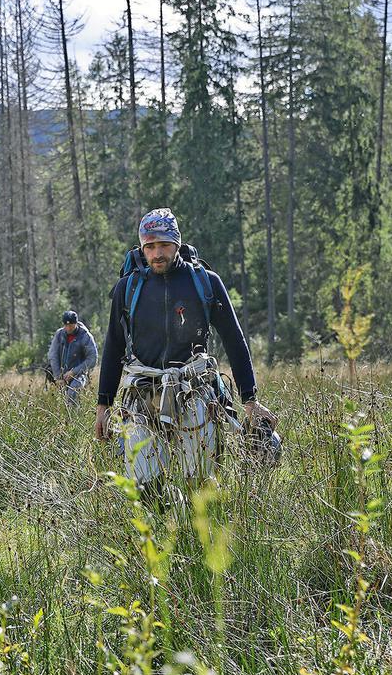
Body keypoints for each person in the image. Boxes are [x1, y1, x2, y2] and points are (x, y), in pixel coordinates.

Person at [94, 208, 275, 495]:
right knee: (143, 491)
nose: (157, 254)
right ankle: (160, 534)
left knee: (201, 490)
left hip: (195, 393)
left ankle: (195, 538)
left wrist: (250, 400)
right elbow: (113, 345)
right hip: (142, 396)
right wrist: (103, 405)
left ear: (177, 243)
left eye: (164, 245)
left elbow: (234, 339)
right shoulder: (127, 288)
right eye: (150, 247)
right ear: (142, 247)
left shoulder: (205, 282)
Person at [47, 310, 97, 404]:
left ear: (76, 323)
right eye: (66, 325)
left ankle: (73, 417)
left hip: (79, 375)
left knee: (72, 392)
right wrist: (58, 377)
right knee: (57, 401)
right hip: (61, 376)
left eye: (71, 325)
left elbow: (92, 358)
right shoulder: (59, 335)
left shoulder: (85, 336)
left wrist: (73, 372)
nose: (68, 328)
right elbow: (53, 355)